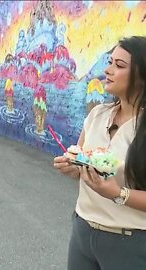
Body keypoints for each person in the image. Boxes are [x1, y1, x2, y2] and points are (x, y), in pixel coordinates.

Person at [53, 36, 146, 270]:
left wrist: (118, 193)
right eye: (110, 61)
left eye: (119, 65)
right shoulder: (98, 115)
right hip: (83, 231)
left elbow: (115, 190)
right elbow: (83, 162)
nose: (108, 69)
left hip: (130, 241)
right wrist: (73, 167)